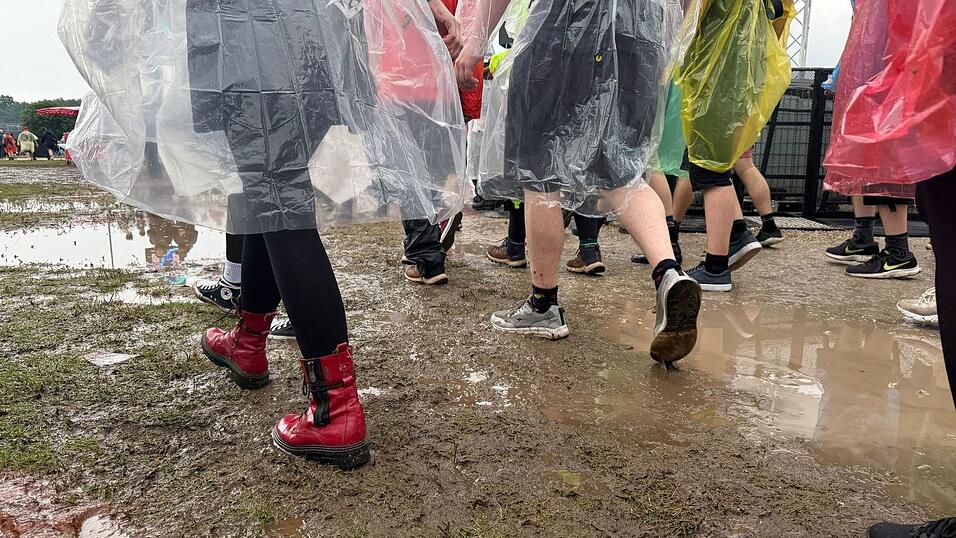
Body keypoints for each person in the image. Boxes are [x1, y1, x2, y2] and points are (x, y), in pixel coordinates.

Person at [457, 0, 702, 364]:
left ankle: (543, 306)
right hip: (640, 34)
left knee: (540, 174)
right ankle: (668, 272)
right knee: (623, 172)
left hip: (561, 27)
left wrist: (475, 45)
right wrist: (664, 40)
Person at [399, 0, 481, 286]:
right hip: (457, 51)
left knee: (411, 161)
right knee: (438, 156)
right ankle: (435, 235)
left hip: (417, 49)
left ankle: (426, 254)